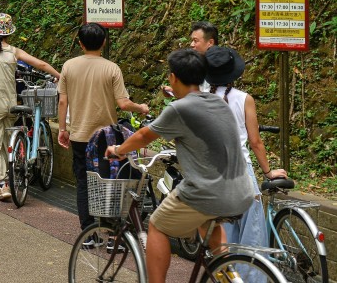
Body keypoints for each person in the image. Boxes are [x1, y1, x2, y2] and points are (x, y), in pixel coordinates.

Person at [106, 49, 253, 283]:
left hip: (207, 192)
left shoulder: (179, 109)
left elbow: (144, 136)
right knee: (208, 224)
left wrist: (118, 150)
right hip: (241, 190)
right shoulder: (217, 102)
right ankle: (230, 278)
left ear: (173, 78)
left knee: (157, 225)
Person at [57, 22, 149, 232]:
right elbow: (124, 104)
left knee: (83, 182)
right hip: (106, 139)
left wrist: (63, 129)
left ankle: (88, 233)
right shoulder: (111, 68)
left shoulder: (69, 66)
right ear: (104, 42)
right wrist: (141, 107)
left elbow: (63, 101)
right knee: (110, 182)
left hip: (80, 135)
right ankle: (111, 229)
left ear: (80, 43)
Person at [205, 45, 287, 251]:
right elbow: (255, 142)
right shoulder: (244, 99)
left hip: (215, 174)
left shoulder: (202, 98)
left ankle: (227, 274)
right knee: (252, 235)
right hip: (241, 171)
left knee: (224, 233)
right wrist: (268, 172)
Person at [0, 13, 60, 201]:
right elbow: (40, 63)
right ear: (10, 33)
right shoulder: (15, 51)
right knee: (8, 143)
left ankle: (2, 183)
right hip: (11, 102)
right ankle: (2, 179)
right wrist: (60, 75)